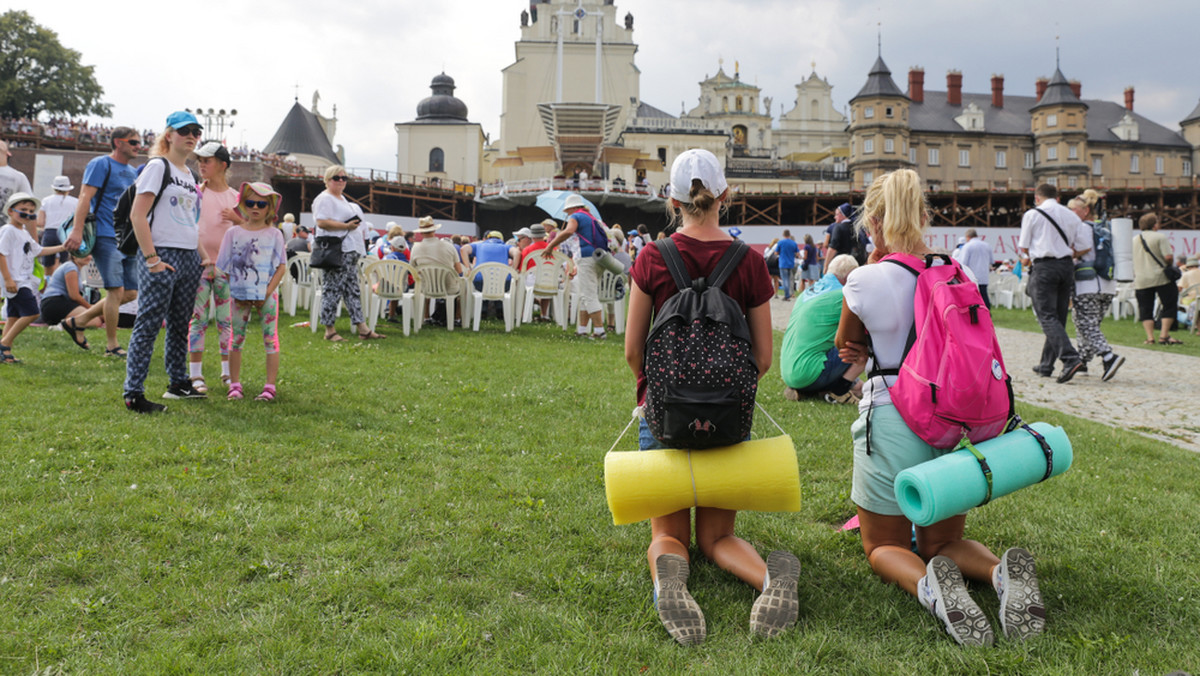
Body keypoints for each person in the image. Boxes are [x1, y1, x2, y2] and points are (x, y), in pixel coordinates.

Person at [836, 169, 1044, 647]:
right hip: (953, 420)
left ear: (873, 221)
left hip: (892, 415)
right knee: (941, 542)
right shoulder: (958, 272)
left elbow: (845, 343)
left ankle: (931, 590)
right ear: (925, 216)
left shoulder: (867, 278)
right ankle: (997, 575)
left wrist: (873, 275)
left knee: (884, 544)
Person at [624, 148, 798, 645]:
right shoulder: (749, 261)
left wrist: (652, 390)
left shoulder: (653, 257)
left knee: (668, 535)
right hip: (726, 419)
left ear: (671, 199)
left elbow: (634, 349)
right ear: (726, 195)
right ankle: (769, 578)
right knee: (717, 537)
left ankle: (669, 581)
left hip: (664, 416)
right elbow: (763, 357)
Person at [123, 111, 210, 413]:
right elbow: (138, 214)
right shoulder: (157, 166)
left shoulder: (190, 175)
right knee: (147, 324)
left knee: (179, 325)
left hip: (187, 256)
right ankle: (134, 393)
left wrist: (203, 256)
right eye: (185, 130)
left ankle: (178, 382)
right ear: (169, 134)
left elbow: (189, 220)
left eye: (196, 131)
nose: (192, 136)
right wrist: (152, 259)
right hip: (161, 253)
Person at [64, 126, 142, 358]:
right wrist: (77, 231)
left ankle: (78, 321)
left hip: (127, 237)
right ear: (118, 142)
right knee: (115, 290)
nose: (138, 146)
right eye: (133, 142)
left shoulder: (134, 172)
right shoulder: (101, 164)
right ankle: (112, 346)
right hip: (106, 234)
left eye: (139, 143)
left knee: (130, 293)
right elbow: (85, 197)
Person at [216, 183, 287, 402]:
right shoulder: (232, 233)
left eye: (261, 204)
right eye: (250, 203)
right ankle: (235, 384)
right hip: (239, 297)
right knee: (236, 339)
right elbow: (223, 266)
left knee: (270, 338)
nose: (255, 208)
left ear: (269, 208)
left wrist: (267, 291)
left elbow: (281, 266)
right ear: (243, 205)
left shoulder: (275, 234)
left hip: (267, 296)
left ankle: (270, 386)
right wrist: (236, 289)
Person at [188, 141, 242, 394]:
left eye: (206, 161)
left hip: (226, 270)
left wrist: (237, 219)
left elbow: (252, 230)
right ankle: (195, 375)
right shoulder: (195, 192)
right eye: (199, 161)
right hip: (199, 265)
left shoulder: (236, 198)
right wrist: (203, 256)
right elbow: (188, 226)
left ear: (222, 165)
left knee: (226, 320)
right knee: (198, 320)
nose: (201, 165)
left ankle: (227, 370)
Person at [1018, 183, 1085, 382]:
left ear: (1037, 197)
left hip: (1044, 266)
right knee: (1058, 316)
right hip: (1066, 266)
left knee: (1046, 315)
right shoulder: (1071, 215)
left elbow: (1024, 246)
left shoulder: (1033, 214)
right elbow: (1080, 246)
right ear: (1057, 197)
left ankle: (1070, 358)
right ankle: (1046, 364)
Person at [313, 164, 384, 341]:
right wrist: (346, 226)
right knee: (332, 289)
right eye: (337, 178)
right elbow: (321, 222)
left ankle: (363, 328)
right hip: (338, 250)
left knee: (352, 290)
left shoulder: (341, 199)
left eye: (344, 178)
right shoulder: (325, 199)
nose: (341, 181)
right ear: (328, 180)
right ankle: (329, 330)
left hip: (349, 250)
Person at [781, 254, 865, 404]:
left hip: (789, 372)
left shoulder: (806, 293)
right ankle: (839, 391)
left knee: (859, 385)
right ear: (850, 276)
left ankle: (810, 389)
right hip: (808, 373)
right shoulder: (843, 295)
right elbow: (866, 328)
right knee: (863, 345)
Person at [1, 193, 67, 363]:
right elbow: (1, 254)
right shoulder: (8, 231)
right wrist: (8, 279)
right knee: (32, 313)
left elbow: (39, 250)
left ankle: (5, 353)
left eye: (31, 212)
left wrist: (63, 246)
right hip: (15, 281)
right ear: (10, 211)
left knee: (14, 317)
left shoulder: (23, 232)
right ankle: (4, 343)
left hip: (22, 280)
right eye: (23, 211)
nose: (27, 215)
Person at [1068, 190, 1124, 380]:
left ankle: (1109, 356)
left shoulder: (1082, 228)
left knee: (1085, 324)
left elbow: (1078, 251)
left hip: (1087, 284)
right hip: (1107, 284)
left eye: (1073, 211)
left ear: (1085, 211)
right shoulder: (1104, 227)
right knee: (1088, 324)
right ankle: (1082, 360)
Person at [543, 195, 608, 338]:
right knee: (585, 294)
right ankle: (582, 329)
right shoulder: (591, 217)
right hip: (598, 258)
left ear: (571, 207)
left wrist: (550, 246)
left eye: (567, 211)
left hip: (586, 258)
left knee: (589, 294)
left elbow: (569, 231)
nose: (566, 213)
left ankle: (599, 331)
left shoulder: (576, 216)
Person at [1132, 212, 1182, 345]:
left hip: (1142, 278)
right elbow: (1168, 257)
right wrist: (1169, 265)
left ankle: (1150, 337)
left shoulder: (1134, 239)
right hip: (1161, 277)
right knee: (1169, 304)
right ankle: (1164, 336)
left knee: (1145, 308)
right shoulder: (1160, 237)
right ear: (1154, 224)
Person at [40, 252, 102, 347]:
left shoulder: (75, 269)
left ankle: (64, 324)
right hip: (54, 303)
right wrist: (91, 308)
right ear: (74, 256)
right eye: (85, 254)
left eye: (90, 254)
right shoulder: (71, 267)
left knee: (98, 315)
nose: (89, 257)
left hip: (57, 303)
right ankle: (64, 325)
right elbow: (74, 296)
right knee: (95, 321)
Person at [36, 175, 79, 277]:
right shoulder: (75, 202)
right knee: (67, 264)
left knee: (47, 264)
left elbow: (40, 222)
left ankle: (48, 287)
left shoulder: (46, 200)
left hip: (50, 233)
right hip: (67, 233)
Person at [955, 229, 995, 309]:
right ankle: (987, 312)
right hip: (984, 276)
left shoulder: (967, 246)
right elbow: (992, 261)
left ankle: (974, 313)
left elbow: (962, 263)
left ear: (968, 237)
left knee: (971, 296)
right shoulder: (987, 245)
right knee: (984, 295)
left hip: (971, 276)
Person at [0, 141, 33, 229]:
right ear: (8, 154)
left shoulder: (19, 177)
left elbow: (29, 208)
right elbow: (29, 208)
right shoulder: (19, 177)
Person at [775, 229, 799, 301]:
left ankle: (787, 295)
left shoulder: (780, 242)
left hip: (783, 263)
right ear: (789, 235)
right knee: (789, 279)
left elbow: (776, 253)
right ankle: (790, 293)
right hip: (791, 263)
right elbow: (797, 253)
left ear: (783, 235)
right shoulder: (793, 243)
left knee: (784, 280)